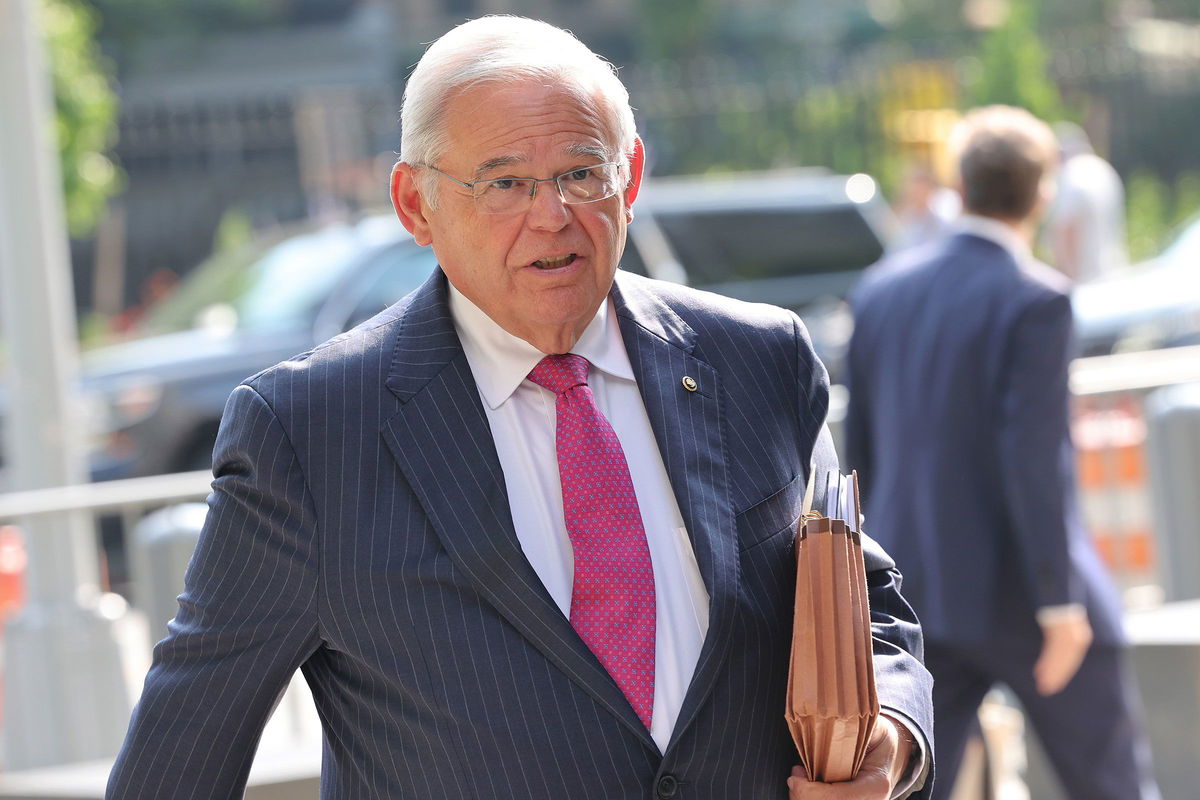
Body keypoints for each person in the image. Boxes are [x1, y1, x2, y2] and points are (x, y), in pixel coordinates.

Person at [107, 17, 933, 799]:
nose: (553, 214)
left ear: (631, 178)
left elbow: (861, 596)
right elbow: (182, 754)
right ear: (415, 205)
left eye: (581, 172)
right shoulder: (310, 432)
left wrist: (890, 732)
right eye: (505, 182)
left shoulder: (755, 359)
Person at [844, 106, 1160, 800]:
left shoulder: (880, 292)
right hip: (1023, 595)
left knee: (914, 787)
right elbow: (1034, 459)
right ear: (1044, 193)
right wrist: (1060, 608)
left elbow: (858, 456)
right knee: (1110, 784)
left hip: (917, 597)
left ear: (958, 182)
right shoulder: (1036, 298)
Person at [1041, 121, 1128, 283]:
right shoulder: (1104, 170)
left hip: (1084, 281)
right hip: (1113, 273)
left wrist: (1066, 279)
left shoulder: (1070, 176)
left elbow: (1066, 229)